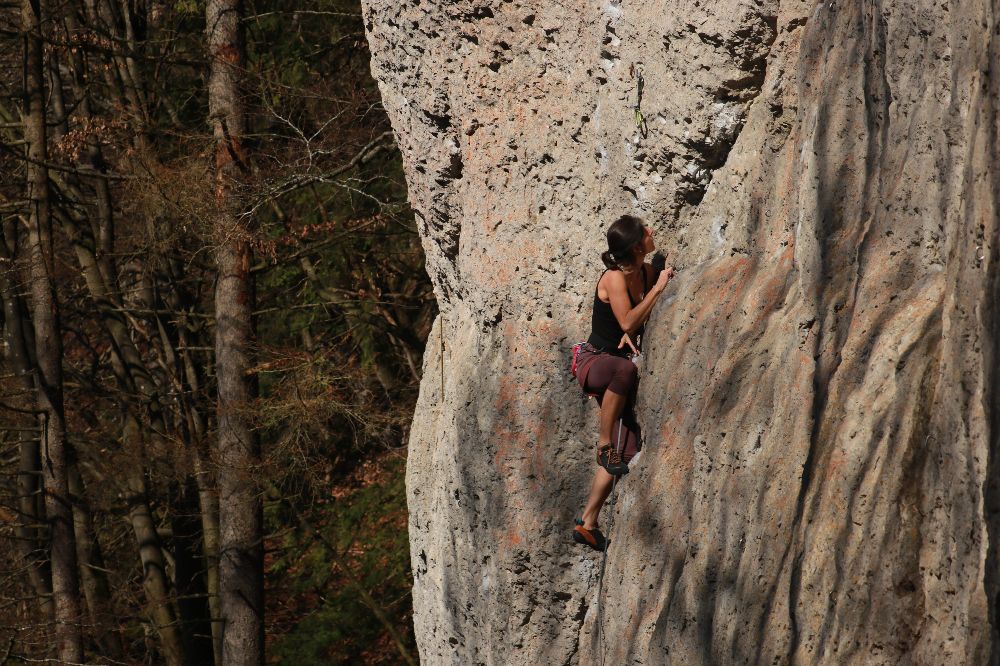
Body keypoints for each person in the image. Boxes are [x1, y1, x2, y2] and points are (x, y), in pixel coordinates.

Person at [572, 214, 674, 551]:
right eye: (646, 230)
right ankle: (603, 443)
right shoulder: (614, 278)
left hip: (614, 363)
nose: (652, 230)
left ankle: (588, 522)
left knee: (627, 451)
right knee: (624, 371)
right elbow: (628, 321)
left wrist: (653, 281)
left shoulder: (644, 270)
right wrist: (658, 289)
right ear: (636, 245)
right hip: (594, 361)